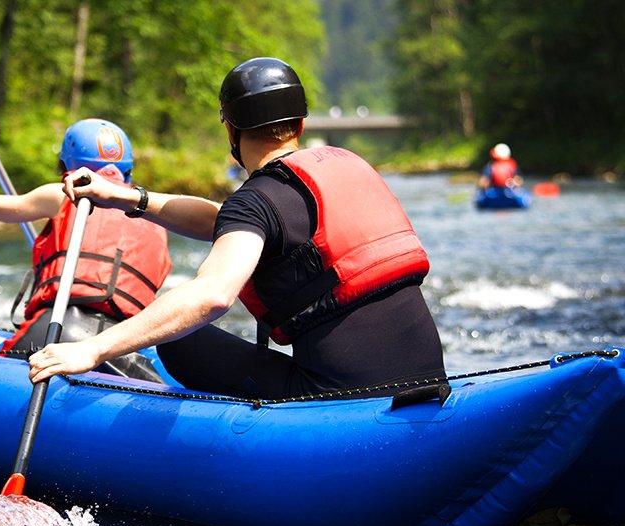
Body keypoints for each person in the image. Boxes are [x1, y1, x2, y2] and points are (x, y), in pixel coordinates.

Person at [28, 57, 445, 399]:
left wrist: (94, 348)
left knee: (180, 341)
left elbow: (211, 296)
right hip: (426, 379)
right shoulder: (341, 170)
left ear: (231, 128)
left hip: (342, 397)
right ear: (299, 125)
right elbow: (227, 221)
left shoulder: (257, 202)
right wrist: (128, 198)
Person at [0, 109, 172, 378]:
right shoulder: (154, 211)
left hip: (54, 330)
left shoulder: (62, 195)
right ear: (127, 170)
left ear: (67, 166)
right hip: (121, 345)